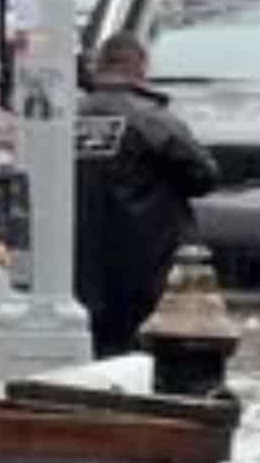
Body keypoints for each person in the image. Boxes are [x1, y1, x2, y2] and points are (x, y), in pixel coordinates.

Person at [73, 37, 224, 358]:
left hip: (78, 262)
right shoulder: (153, 120)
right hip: (145, 258)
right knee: (141, 352)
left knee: (92, 345)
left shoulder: (66, 118)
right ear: (141, 68)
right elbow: (204, 175)